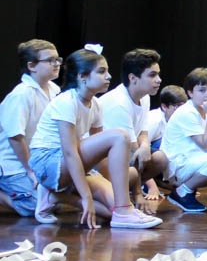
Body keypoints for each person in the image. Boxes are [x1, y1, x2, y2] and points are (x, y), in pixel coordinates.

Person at [29, 46, 162, 228]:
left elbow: (102, 155)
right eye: (101, 72)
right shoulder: (66, 101)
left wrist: (110, 190)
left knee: (111, 211)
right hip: (49, 162)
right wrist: (86, 196)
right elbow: (69, 153)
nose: (109, 77)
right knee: (120, 136)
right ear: (82, 77)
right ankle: (123, 210)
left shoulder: (95, 105)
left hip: (75, 163)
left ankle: (54, 196)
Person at [97, 48, 169, 214]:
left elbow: (143, 131)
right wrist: (138, 194)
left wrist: (145, 146)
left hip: (124, 154)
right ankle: (124, 192)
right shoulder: (119, 103)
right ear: (133, 78)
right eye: (152, 75)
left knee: (160, 158)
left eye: (158, 74)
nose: (158, 80)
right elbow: (130, 153)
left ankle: (125, 189)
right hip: (101, 161)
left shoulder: (144, 97)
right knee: (109, 212)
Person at [0, 40, 62, 217]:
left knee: (54, 204)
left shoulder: (54, 90)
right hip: (14, 164)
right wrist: (30, 170)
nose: (56, 64)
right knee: (35, 206)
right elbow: (15, 137)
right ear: (32, 66)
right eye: (50, 60)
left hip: (37, 160)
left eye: (57, 59)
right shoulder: (21, 94)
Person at [162, 68, 207, 213]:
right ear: (190, 93)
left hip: (195, 162)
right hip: (178, 167)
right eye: (202, 90)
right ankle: (182, 192)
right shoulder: (187, 112)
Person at [146, 85, 186, 152]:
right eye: (178, 106)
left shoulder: (182, 119)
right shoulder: (154, 120)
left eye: (183, 106)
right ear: (164, 107)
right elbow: (141, 147)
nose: (181, 110)